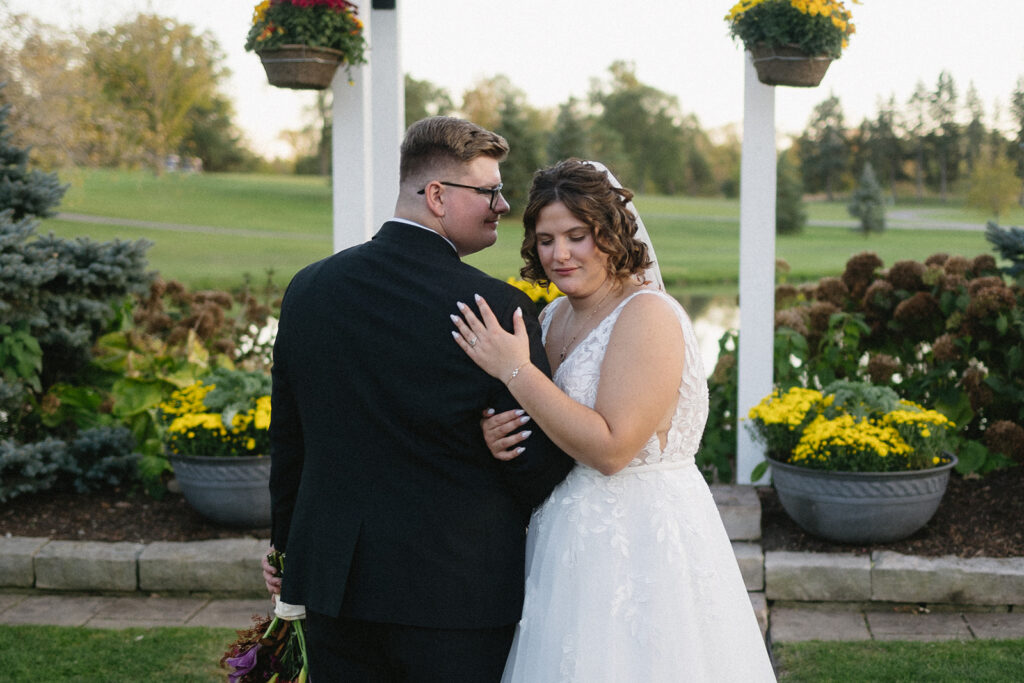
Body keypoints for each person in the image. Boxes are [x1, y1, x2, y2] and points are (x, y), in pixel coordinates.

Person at [264, 117, 574, 681]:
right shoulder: (493, 307)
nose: (502, 205)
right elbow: (540, 467)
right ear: (436, 195)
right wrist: (493, 449)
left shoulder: (308, 289)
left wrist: (285, 550)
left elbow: (290, 438)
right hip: (455, 592)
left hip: (334, 583)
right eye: (489, 191)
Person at [451, 159, 777, 681]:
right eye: (545, 239)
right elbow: (555, 421)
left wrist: (512, 368)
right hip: (562, 540)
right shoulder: (555, 315)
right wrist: (502, 433)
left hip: (640, 540)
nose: (559, 254)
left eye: (576, 236)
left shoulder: (647, 315)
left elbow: (611, 448)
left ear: (610, 233)